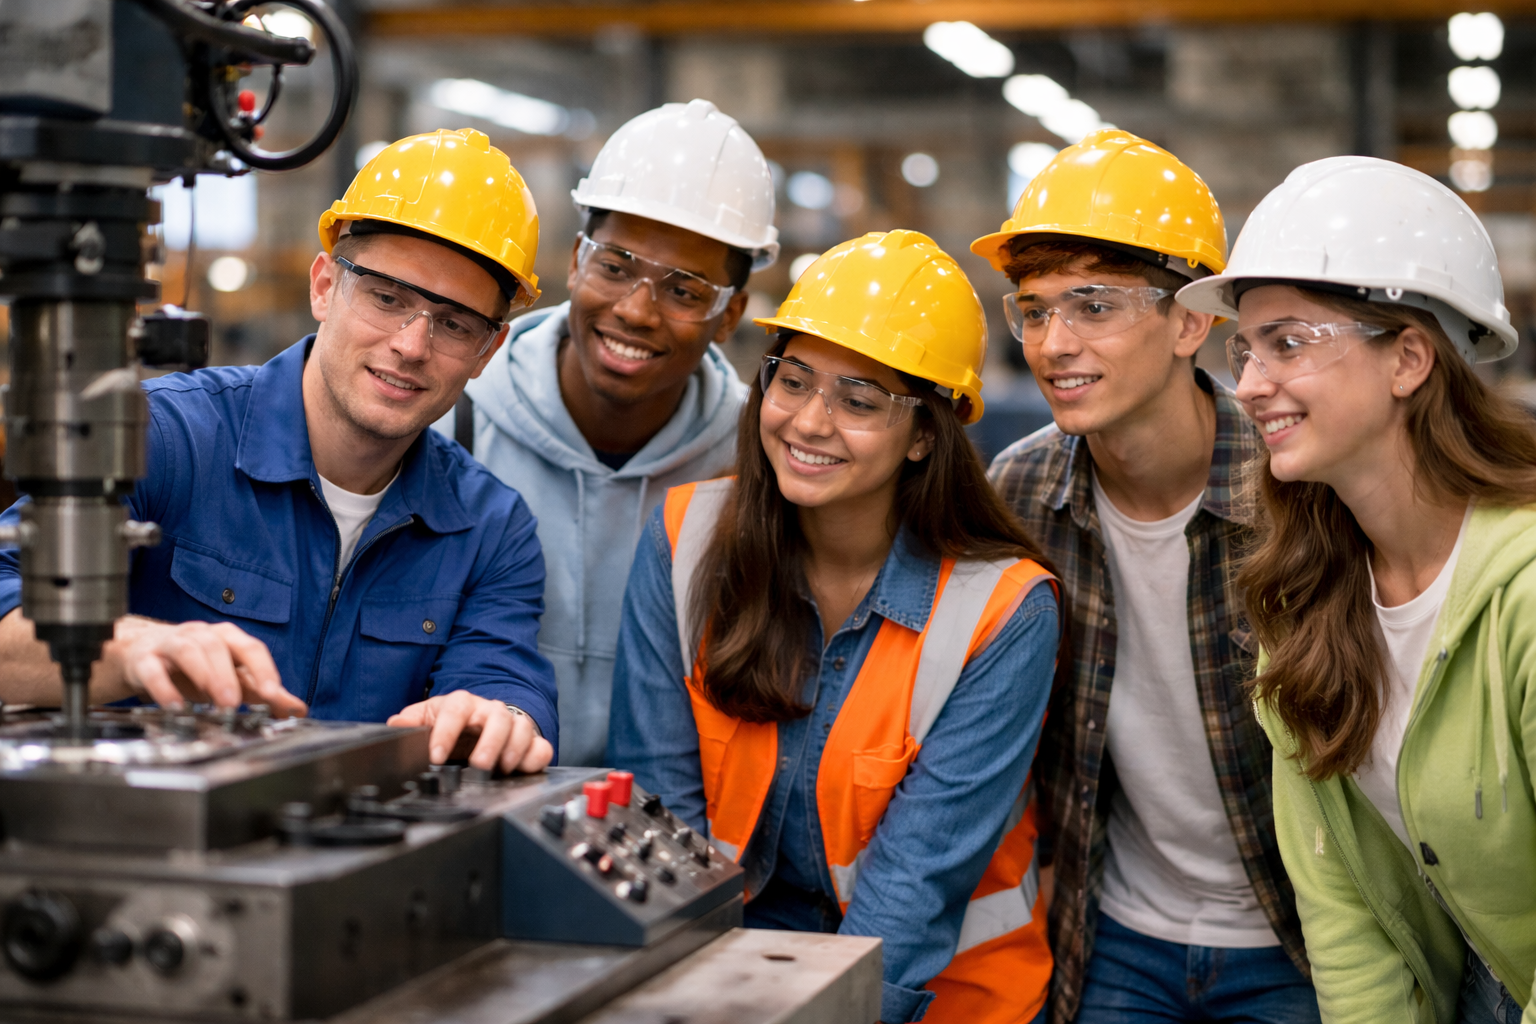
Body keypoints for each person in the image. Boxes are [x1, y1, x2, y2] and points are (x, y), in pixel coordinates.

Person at [609, 230, 1061, 1024]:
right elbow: (663, 826)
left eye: (859, 400)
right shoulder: (684, 542)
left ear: (925, 434)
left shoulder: (1003, 612)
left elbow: (913, 889)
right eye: (794, 380)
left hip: (935, 997)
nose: (810, 423)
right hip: (728, 980)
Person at [0, 128, 557, 772]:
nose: (411, 344)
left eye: (455, 323)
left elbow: (505, 678)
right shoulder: (164, 438)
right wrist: (123, 646)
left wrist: (498, 718)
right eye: (386, 297)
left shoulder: (489, 528)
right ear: (324, 287)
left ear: (487, 352)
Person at [1178, 155, 1536, 1023]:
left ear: (1409, 358)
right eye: (1245, 348)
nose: (1251, 384)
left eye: (1289, 342)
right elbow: (1343, 908)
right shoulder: (1306, 592)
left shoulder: (1524, 591)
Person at [974, 129, 1316, 1023]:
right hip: (1116, 934)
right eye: (1036, 309)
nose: (1053, 343)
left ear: (1192, 322)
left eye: (1093, 306)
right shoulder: (1021, 489)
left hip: (1297, 939)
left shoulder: (1299, 492)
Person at [439, 98, 773, 766]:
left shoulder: (757, 461)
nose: (635, 311)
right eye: (614, 267)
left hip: (669, 830)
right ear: (574, 261)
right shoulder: (457, 416)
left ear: (730, 313)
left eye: (684, 292)